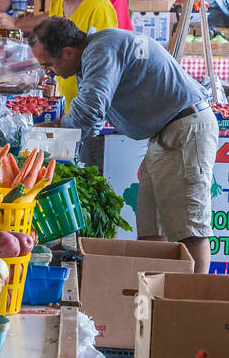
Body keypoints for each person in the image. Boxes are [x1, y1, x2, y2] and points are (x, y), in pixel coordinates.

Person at [28, 19, 218, 273]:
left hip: (184, 129)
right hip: (166, 132)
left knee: (189, 230)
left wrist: (46, 137)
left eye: (49, 64)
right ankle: (155, 297)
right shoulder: (96, 50)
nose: (48, 72)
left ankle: (191, 303)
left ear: (68, 52)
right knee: (151, 229)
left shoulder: (101, 50)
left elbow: (89, 114)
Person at [0, 0, 116, 108]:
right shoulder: (57, 4)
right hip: (67, 100)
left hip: (91, 105)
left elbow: (104, 69)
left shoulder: (99, 7)